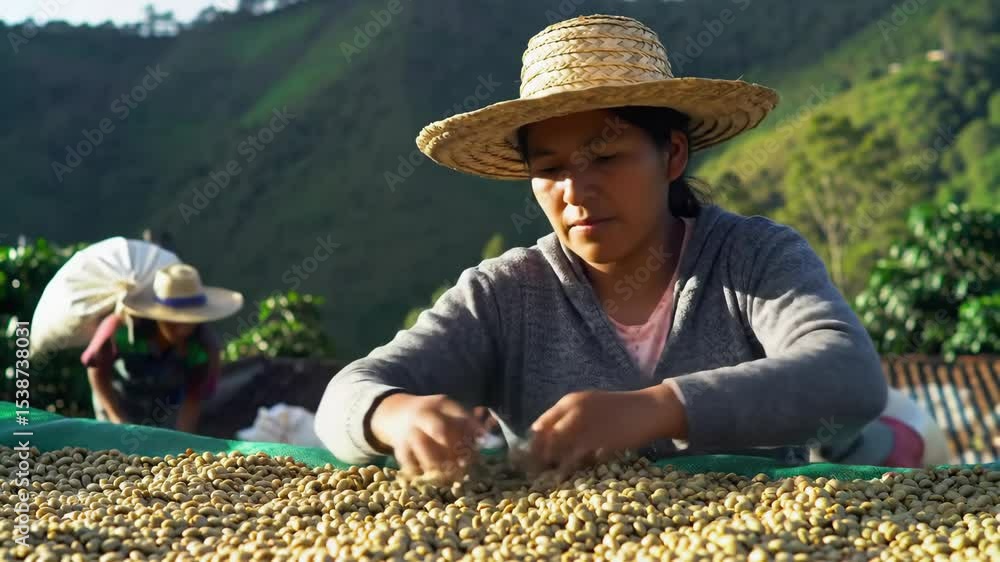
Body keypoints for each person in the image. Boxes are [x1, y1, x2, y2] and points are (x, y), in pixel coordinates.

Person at [315, 14, 888, 478]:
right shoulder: (504, 296)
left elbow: (850, 377)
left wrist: (659, 408)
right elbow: (347, 395)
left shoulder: (752, 258)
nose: (576, 192)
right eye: (550, 169)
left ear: (673, 156)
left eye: (607, 158)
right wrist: (396, 416)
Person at [81, 263, 243, 433]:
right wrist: (116, 417)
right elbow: (96, 372)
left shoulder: (202, 346)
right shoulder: (121, 331)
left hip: (163, 411)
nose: (182, 329)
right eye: (173, 321)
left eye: (189, 321)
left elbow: (193, 396)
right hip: (118, 404)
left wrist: (183, 438)